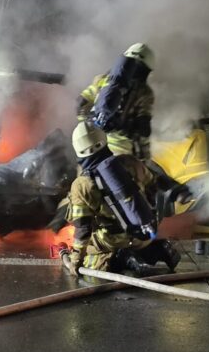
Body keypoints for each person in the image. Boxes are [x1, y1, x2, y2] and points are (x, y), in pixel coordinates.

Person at [62, 122, 180, 276]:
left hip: (115, 241)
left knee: (91, 253)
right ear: (103, 139)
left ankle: (122, 258)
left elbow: (82, 228)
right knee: (135, 238)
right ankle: (157, 248)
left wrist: (76, 260)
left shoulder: (81, 185)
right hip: (146, 232)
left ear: (78, 150)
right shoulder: (130, 162)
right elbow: (154, 186)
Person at [77, 43, 155, 160]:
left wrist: (92, 121)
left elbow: (80, 105)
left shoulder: (103, 79)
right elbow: (143, 130)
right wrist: (144, 157)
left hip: (92, 144)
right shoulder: (145, 93)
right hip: (120, 151)